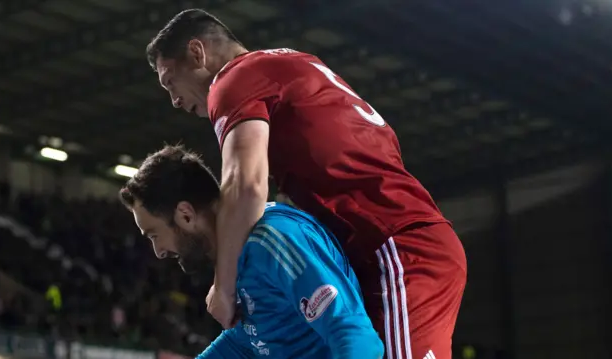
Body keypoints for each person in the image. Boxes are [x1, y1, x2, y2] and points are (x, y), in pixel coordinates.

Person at [146, 9, 467, 359]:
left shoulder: (232, 80)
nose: (174, 100)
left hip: (396, 244)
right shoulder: (294, 64)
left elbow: (247, 185)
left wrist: (224, 286)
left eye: (170, 82)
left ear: (197, 52)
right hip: (393, 239)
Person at [118, 145, 384, 359]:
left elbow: (356, 338)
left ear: (185, 215)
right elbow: (250, 341)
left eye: (154, 235)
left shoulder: (274, 239)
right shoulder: (237, 258)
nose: (158, 251)